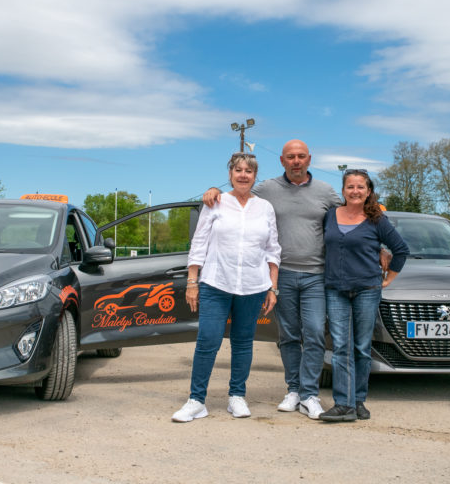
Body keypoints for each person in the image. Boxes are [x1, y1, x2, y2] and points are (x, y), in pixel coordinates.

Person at [203, 140, 341, 419]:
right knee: (289, 335)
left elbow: (349, 217)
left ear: (309, 159)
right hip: (281, 273)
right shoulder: (267, 189)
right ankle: (293, 390)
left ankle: (309, 394)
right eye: (291, 157)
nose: (296, 161)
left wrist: (380, 241)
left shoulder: (326, 191)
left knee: (314, 332)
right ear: (282, 160)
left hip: (316, 274)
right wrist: (214, 190)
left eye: (301, 156)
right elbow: (237, 192)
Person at [172, 152, 281, 422]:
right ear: (230, 174)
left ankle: (237, 396)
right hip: (216, 282)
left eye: (249, 171)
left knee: (243, 342)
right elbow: (198, 244)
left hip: (254, 285)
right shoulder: (216, 202)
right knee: (208, 340)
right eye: (238, 170)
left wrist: (272, 287)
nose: (243, 175)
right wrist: (192, 282)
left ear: (255, 176)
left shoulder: (265, 208)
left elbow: (273, 249)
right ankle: (196, 400)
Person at [319, 169, 409, 422]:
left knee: (361, 347)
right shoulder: (330, 216)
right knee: (340, 347)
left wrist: (389, 277)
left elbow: (401, 249)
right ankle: (342, 403)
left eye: (360, 187)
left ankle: (358, 401)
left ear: (368, 191)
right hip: (335, 289)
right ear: (343, 190)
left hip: (367, 290)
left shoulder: (376, 219)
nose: (355, 191)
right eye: (350, 187)